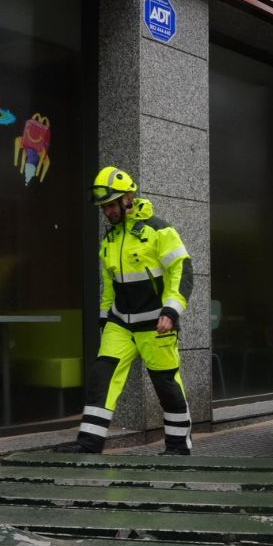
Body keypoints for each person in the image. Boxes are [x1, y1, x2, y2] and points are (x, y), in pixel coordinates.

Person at [56, 166, 194, 455]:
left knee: (165, 384)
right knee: (101, 378)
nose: (107, 211)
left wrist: (171, 311)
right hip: (120, 323)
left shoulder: (160, 231)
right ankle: (89, 443)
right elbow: (109, 285)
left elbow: (182, 270)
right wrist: (105, 318)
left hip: (156, 324)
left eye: (110, 204)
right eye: (103, 207)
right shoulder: (110, 240)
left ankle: (179, 447)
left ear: (128, 197)